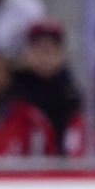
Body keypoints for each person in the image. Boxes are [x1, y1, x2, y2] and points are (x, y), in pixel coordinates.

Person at [13, 18, 81, 151]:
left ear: (61, 54)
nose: (44, 56)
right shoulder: (11, 91)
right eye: (38, 48)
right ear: (27, 52)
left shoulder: (70, 94)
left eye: (50, 48)